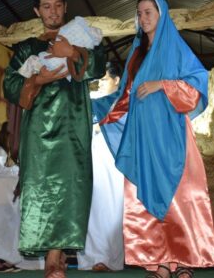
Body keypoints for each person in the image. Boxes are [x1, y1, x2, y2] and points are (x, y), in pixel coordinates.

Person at [93, 0, 214, 278]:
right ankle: (160, 261)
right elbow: (123, 97)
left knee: (182, 196)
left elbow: (197, 84)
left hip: (171, 134)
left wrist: (162, 84)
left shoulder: (176, 48)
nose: (143, 17)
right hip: (144, 136)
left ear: (162, 15)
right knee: (146, 195)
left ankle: (185, 261)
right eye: (139, 13)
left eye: (149, 12)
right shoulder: (136, 55)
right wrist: (92, 108)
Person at [3, 0, 106, 278]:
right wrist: (37, 81)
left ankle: (57, 255)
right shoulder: (27, 48)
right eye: (46, 6)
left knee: (72, 187)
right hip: (39, 130)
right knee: (41, 189)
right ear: (37, 11)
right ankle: (52, 259)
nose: (53, 11)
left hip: (75, 125)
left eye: (58, 5)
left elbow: (100, 65)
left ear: (65, 7)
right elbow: (10, 85)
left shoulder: (80, 38)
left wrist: (71, 51)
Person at [0, 122, 44, 272]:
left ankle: (5, 259)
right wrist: (19, 170)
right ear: (6, 135)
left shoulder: (10, 154)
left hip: (6, 200)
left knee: (5, 230)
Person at [77, 61, 124, 272]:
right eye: (98, 80)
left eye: (104, 79)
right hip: (92, 158)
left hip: (114, 161)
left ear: (117, 80)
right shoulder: (92, 101)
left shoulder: (124, 102)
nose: (100, 84)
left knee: (113, 209)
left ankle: (110, 258)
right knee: (92, 207)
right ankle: (90, 259)